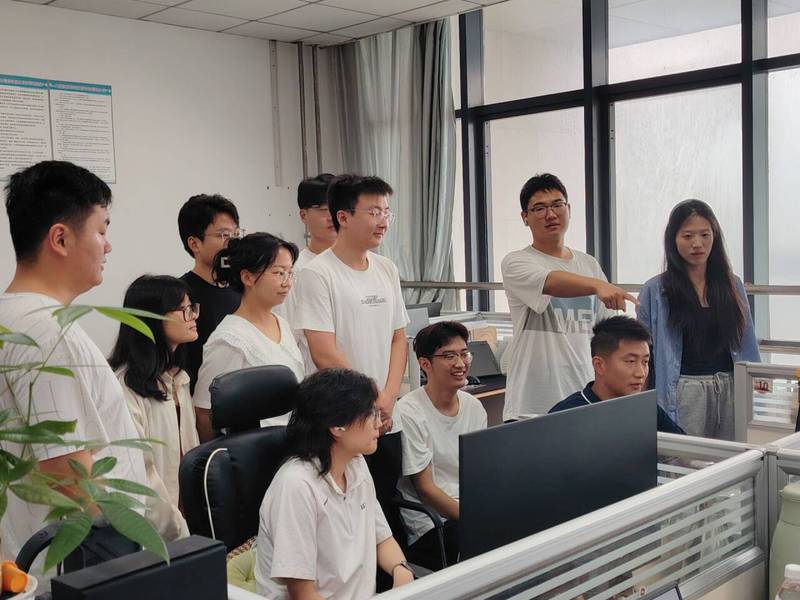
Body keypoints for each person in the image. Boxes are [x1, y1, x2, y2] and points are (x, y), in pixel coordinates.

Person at [0, 161, 147, 571]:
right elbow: (67, 473)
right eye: (101, 230)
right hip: (80, 566)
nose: (108, 246)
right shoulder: (47, 332)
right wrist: (126, 556)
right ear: (60, 239)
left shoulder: (10, 317)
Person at [291, 174, 409, 535]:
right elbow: (324, 352)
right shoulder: (316, 273)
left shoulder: (386, 268)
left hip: (384, 418)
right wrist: (372, 401)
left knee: (386, 513)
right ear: (343, 217)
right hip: (343, 422)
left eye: (386, 211)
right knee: (346, 525)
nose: (383, 220)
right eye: (373, 212)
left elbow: (399, 339)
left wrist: (388, 398)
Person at [254, 368, 414, 599]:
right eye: (371, 414)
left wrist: (401, 570)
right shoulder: (296, 485)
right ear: (337, 426)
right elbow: (302, 594)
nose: (379, 423)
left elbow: (382, 538)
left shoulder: (356, 463)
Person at [501, 173, 637, 421]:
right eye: (539, 208)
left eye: (557, 205)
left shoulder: (589, 264)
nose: (550, 214)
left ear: (569, 209)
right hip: (532, 404)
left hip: (584, 397)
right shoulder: (516, 262)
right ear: (525, 217)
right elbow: (550, 282)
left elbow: (606, 333)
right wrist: (598, 285)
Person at [637, 200, 760, 440]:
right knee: (685, 456)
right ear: (673, 239)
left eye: (705, 235)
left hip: (729, 387)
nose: (697, 243)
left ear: (715, 236)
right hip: (683, 390)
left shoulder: (732, 284)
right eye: (687, 236)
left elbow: (747, 343)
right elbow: (645, 353)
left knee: (733, 457)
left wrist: (757, 388)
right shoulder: (656, 289)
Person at [108, 274, 201, 541]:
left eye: (192, 307)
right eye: (184, 309)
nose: (194, 315)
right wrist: (178, 530)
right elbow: (140, 476)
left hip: (185, 523)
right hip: (153, 532)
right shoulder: (126, 387)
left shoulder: (178, 379)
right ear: (153, 318)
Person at [193, 233, 304, 442]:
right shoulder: (229, 338)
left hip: (293, 440)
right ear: (247, 278)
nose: (287, 282)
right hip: (256, 448)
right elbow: (204, 411)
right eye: (279, 273)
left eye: (290, 273)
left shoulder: (281, 323)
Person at [397, 322, 487, 570]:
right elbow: (425, 489)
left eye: (464, 354)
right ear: (425, 364)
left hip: (468, 509)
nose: (460, 363)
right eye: (449, 356)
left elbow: (480, 473)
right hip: (432, 523)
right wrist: (475, 518)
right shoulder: (409, 412)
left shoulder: (473, 407)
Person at [549, 316, 684, 434]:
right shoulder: (565, 416)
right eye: (630, 361)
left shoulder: (646, 409)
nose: (641, 373)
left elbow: (685, 449)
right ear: (599, 365)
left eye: (645, 362)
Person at [178, 194, 243, 394]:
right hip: (201, 399)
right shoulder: (180, 295)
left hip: (244, 394)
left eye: (236, 234)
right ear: (194, 244)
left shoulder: (244, 288)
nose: (232, 243)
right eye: (224, 235)